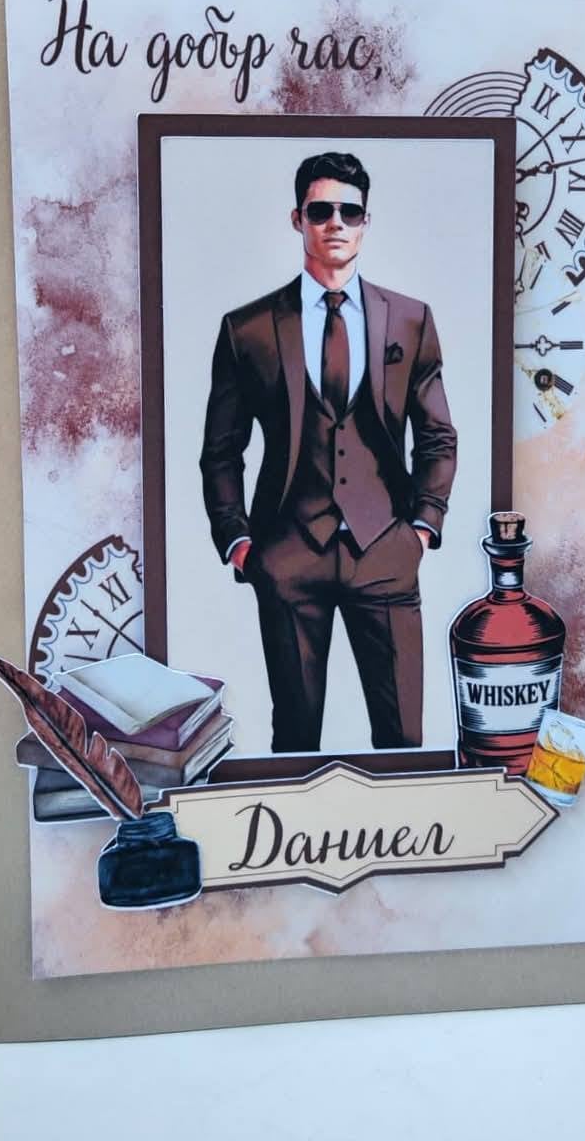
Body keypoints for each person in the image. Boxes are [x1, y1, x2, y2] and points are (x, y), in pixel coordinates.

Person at [200, 151, 457, 752]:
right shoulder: (249, 329)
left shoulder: (410, 320)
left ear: (366, 222)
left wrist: (422, 529)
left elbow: (438, 436)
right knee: (295, 741)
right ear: (298, 219)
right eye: (320, 211)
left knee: (403, 741)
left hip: (385, 549)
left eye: (349, 211)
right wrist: (239, 542)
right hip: (288, 553)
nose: (335, 222)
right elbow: (221, 450)